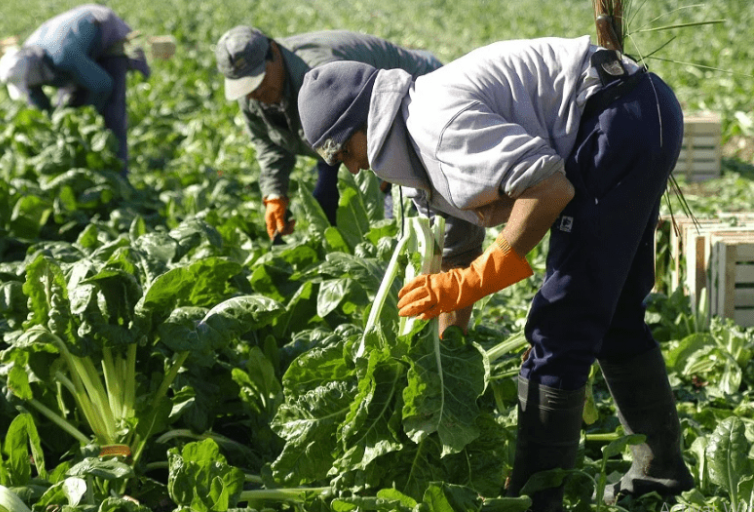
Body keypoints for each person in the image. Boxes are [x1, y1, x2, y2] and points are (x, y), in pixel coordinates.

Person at [297, 36, 694, 510]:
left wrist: (486, 273)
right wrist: (448, 360)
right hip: (638, 109)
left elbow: (548, 189)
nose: (351, 168)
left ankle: (534, 500)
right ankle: (660, 476)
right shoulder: (414, 137)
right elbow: (458, 251)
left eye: (344, 153)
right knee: (613, 316)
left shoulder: (433, 127)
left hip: (617, 120)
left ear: (365, 123)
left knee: (559, 328)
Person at [214, 26, 443, 241]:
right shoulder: (253, 96)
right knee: (327, 206)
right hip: (346, 135)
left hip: (413, 102)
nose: (256, 92)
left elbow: (374, 123)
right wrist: (275, 193)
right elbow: (269, 143)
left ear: (273, 51)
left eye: (259, 80)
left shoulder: (320, 74)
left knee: (406, 217)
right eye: (246, 87)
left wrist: (384, 175)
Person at [0, 4, 151, 176]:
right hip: (77, 47)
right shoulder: (28, 61)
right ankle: (84, 170)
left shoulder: (63, 56)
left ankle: (120, 176)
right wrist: (50, 127)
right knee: (68, 108)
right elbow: (37, 101)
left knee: (112, 113)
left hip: (105, 32)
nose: (30, 87)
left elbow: (104, 85)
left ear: (32, 71)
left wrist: (87, 113)